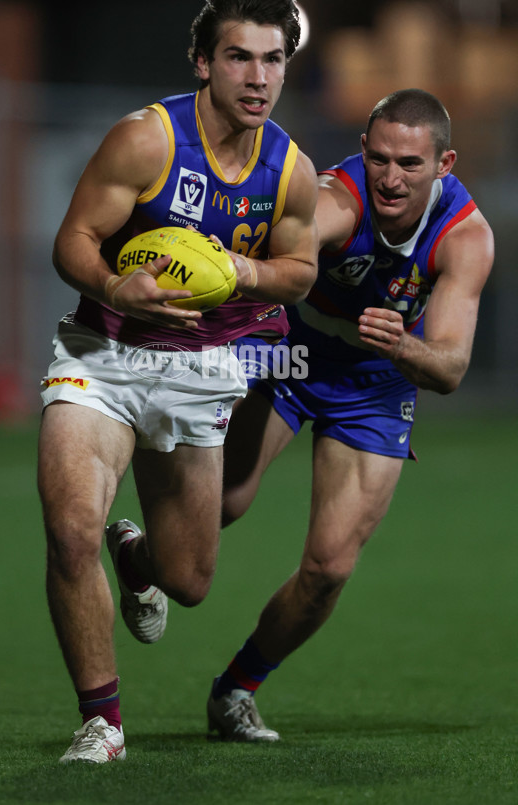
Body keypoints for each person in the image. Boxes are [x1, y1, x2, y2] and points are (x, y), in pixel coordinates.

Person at [37, 0, 319, 764]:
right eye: (239, 57)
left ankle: (137, 560)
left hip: (204, 370)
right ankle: (102, 721)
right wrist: (111, 284)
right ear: (203, 61)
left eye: (273, 60)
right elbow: (73, 240)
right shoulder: (147, 139)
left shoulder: (290, 168)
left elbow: (298, 270)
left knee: (189, 578)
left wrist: (242, 271)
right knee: (68, 532)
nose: (258, 77)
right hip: (106, 355)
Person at [201, 88, 495, 741]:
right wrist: (233, 264)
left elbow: (448, 368)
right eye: (380, 158)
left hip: (376, 382)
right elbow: (301, 235)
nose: (391, 178)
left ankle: (236, 690)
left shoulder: (467, 236)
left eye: (411, 164)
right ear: (363, 150)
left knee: (330, 569)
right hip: (293, 352)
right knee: (221, 505)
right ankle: (148, 551)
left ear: (444, 162)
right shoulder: (340, 197)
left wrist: (403, 344)